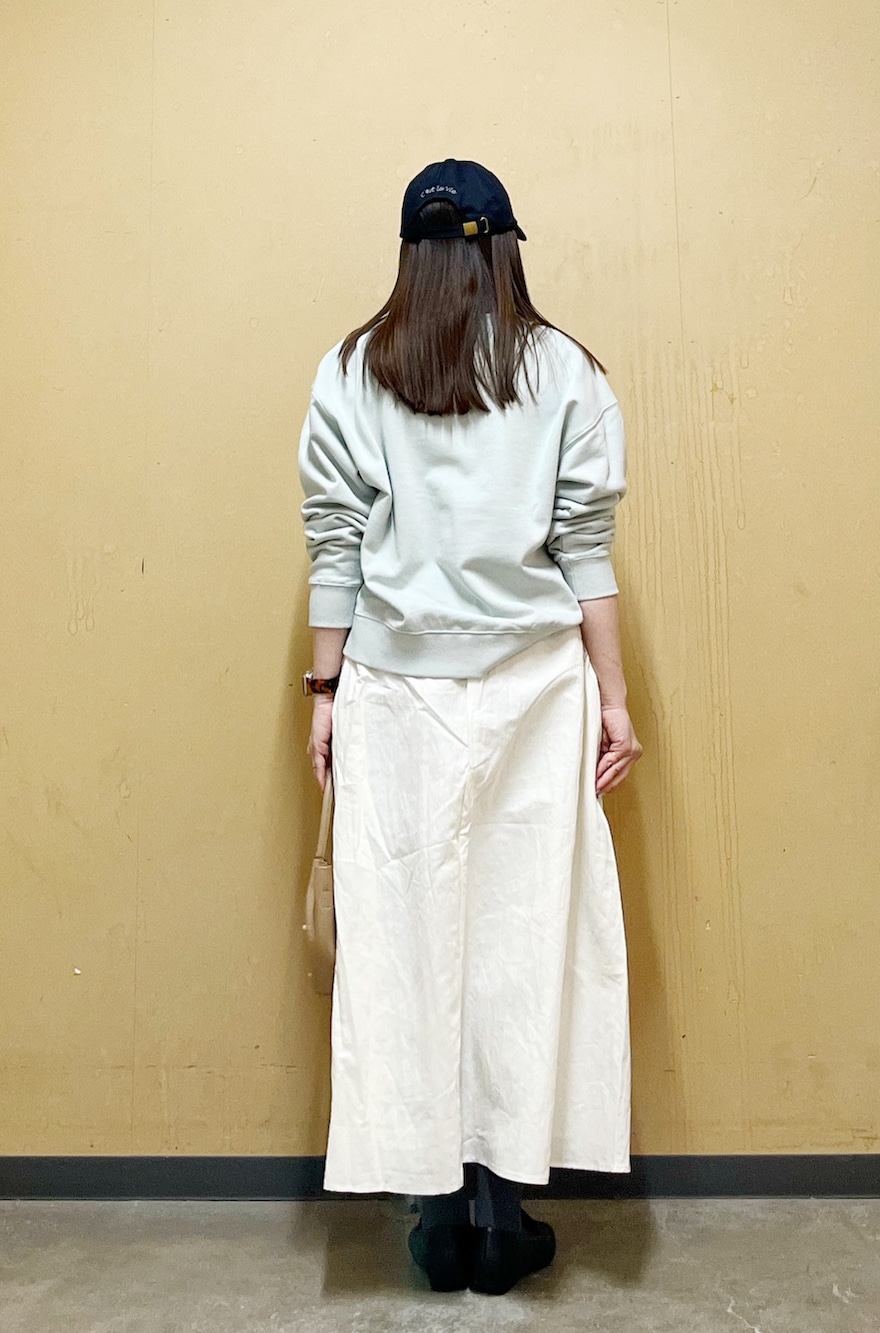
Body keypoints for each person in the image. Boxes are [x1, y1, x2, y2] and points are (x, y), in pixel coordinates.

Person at [297, 158, 643, 1297]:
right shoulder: (566, 371)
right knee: (522, 938)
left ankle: (436, 1215)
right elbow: (584, 548)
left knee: (405, 940)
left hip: (397, 693)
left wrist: (323, 692)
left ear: (410, 254)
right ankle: (503, 1216)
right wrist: (617, 700)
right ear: (505, 252)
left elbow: (334, 539)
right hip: (536, 691)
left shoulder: (352, 371)